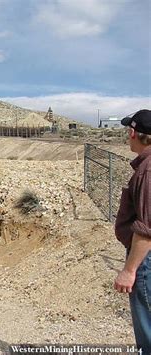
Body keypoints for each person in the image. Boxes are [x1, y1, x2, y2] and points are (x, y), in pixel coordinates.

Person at [115, 109, 151, 353]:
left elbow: (147, 229)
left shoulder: (148, 170)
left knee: (147, 329)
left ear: (133, 133)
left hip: (145, 261)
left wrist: (129, 270)